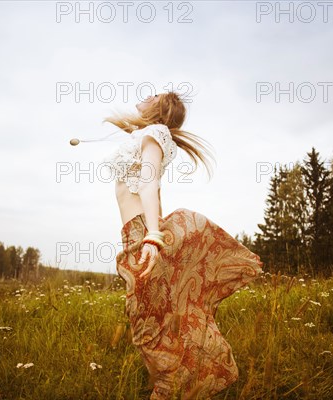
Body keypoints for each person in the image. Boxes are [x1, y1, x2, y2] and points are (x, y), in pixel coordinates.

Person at [101, 91, 264, 399]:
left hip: (142, 233)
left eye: (154, 94)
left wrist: (152, 234)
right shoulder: (146, 134)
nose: (146, 94)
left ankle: (174, 386)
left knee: (148, 320)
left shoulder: (156, 132)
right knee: (159, 316)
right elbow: (152, 187)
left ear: (160, 109)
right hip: (136, 232)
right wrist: (154, 231)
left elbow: (149, 182)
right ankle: (182, 381)